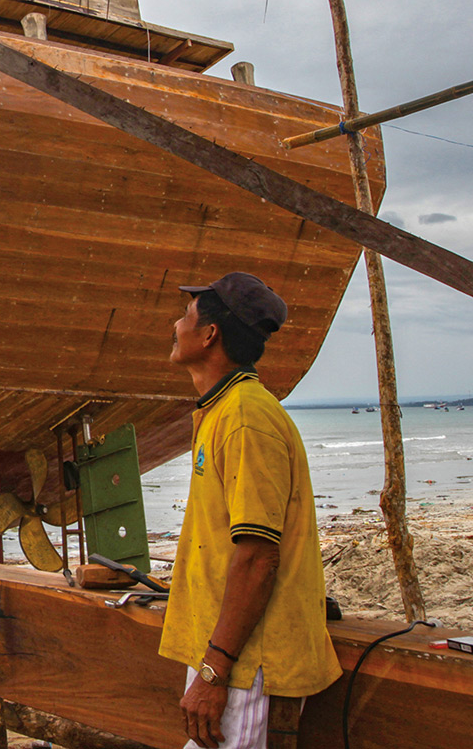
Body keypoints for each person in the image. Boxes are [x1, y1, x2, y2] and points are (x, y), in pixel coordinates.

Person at [161, 272, 341, 749]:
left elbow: (259, 557)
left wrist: (213, 673)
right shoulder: (223, 410)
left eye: (186, 316)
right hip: (228, 654)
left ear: (209, 334)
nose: (175, 325)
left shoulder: (246, 417)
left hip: (247, 663)